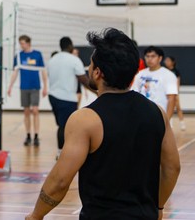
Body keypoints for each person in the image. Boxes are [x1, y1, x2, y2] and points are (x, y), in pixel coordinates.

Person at [25, 28, 181, 220]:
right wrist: (158, 207)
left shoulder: (85, 119)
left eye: (90, 65)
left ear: (97, 73)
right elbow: (172, 168)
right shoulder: (158, 113)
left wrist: (35, 216)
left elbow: (60, 181)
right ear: (133, 74)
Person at [47, 37, 91, 158]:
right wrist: (97, 91)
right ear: (70, 46)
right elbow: (83, 79)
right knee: (65, 126)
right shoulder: (74, 60)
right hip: (66, 98)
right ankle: (63, 152)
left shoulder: (52, 60)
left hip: (53, 97)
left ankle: (62, 151)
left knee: (62, 125)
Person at [7, 35, 47, 147]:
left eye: (23, 43)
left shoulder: (37, 54)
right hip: (24, 87)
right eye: (20, 43)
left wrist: (45, 87)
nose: (21, 45)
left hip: (35, 87)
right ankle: (28, 135)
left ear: (28, 43)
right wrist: (10, 86)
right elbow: (15, 72)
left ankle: (36, 136)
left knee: (35, 110)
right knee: (26, 112)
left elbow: (43, 71)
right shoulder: (19, 56)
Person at [132, 46, 177, 120]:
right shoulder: (140, 74)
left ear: (160, 58)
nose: (150, 59)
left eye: (153, 56)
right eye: (147, 56)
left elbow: (171, 99)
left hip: (160, 117)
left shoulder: (168, 75)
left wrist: (167, 121)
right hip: (142, 117)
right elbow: (134, 94)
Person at [164, 56, 185, 131]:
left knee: (178, 107)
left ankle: (182, 123)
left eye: (168, 60)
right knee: (168, 107)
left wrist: (176, 92)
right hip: (166, 92)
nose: (166, 62)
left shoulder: (176, 71)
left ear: (172, 62)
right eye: (166, 61)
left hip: (174, 92)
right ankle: (169, 122)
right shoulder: (164, 71)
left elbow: (178, 82)